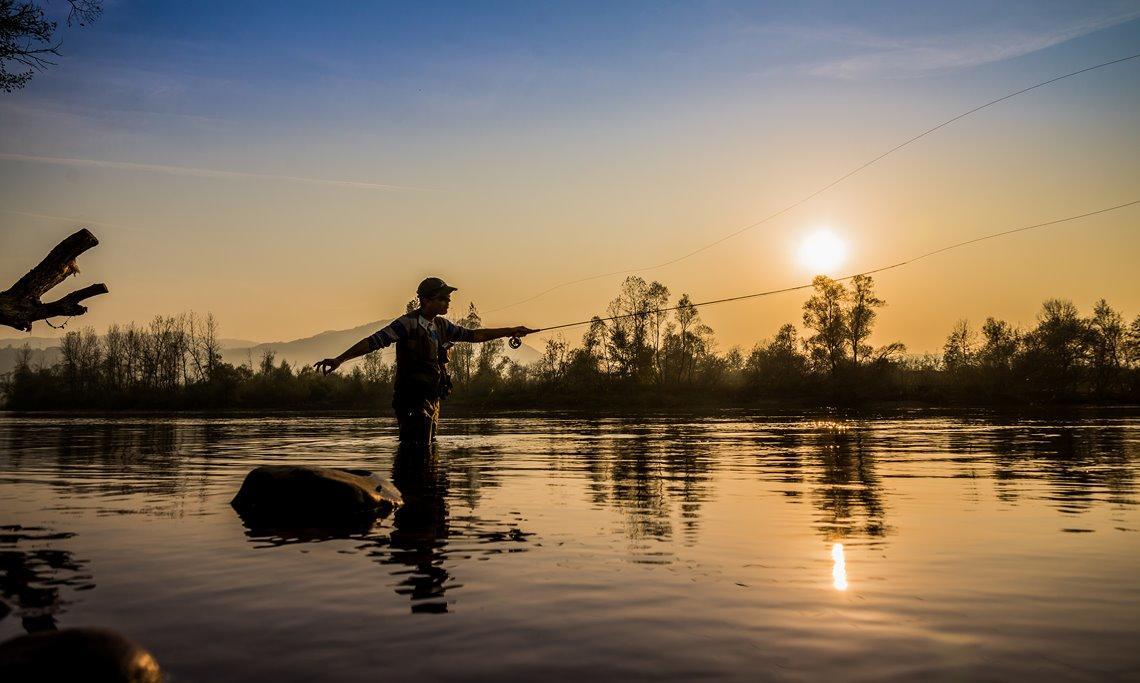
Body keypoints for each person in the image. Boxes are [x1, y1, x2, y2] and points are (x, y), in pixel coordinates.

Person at [314, 277, 535, 443]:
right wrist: (340, 359)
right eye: (442, 299)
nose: (447, 302)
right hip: (410, 398)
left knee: (428, 448)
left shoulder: (442, 326)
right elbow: (373, 341)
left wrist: (510, 330)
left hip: (432, 398)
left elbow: (475, 335)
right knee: (414, 448)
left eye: (448, 299)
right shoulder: (407, 324)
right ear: (426, 300)